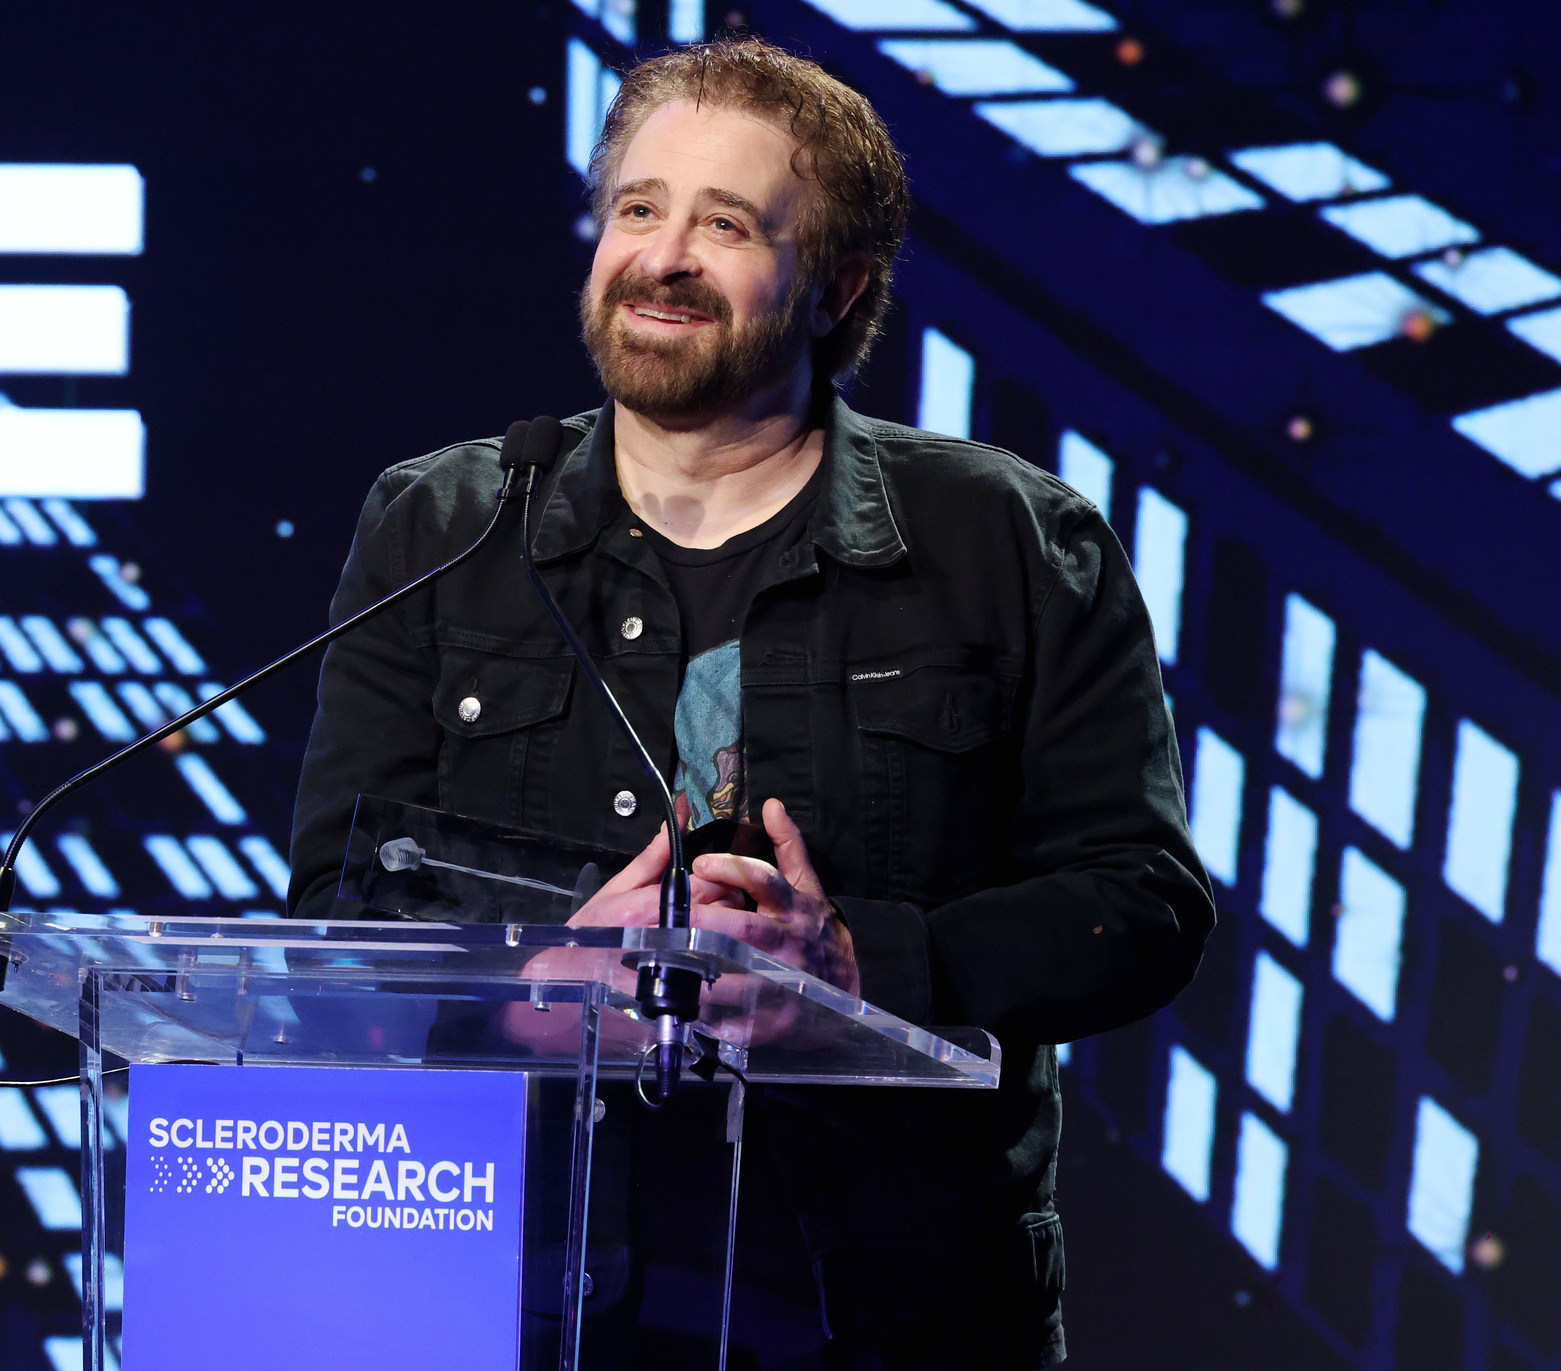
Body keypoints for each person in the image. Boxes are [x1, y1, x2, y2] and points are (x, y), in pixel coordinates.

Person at [289, 36, 1213, 1369]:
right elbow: (334, 907)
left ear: (837, 285)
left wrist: (862, 976)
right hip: (505, 1291)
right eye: (638, 209)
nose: (661, 257)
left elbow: (1143, 907)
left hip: (886, 1310)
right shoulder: (442, 522)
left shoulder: (1010, 539)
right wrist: (540, 963)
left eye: (724, 226)